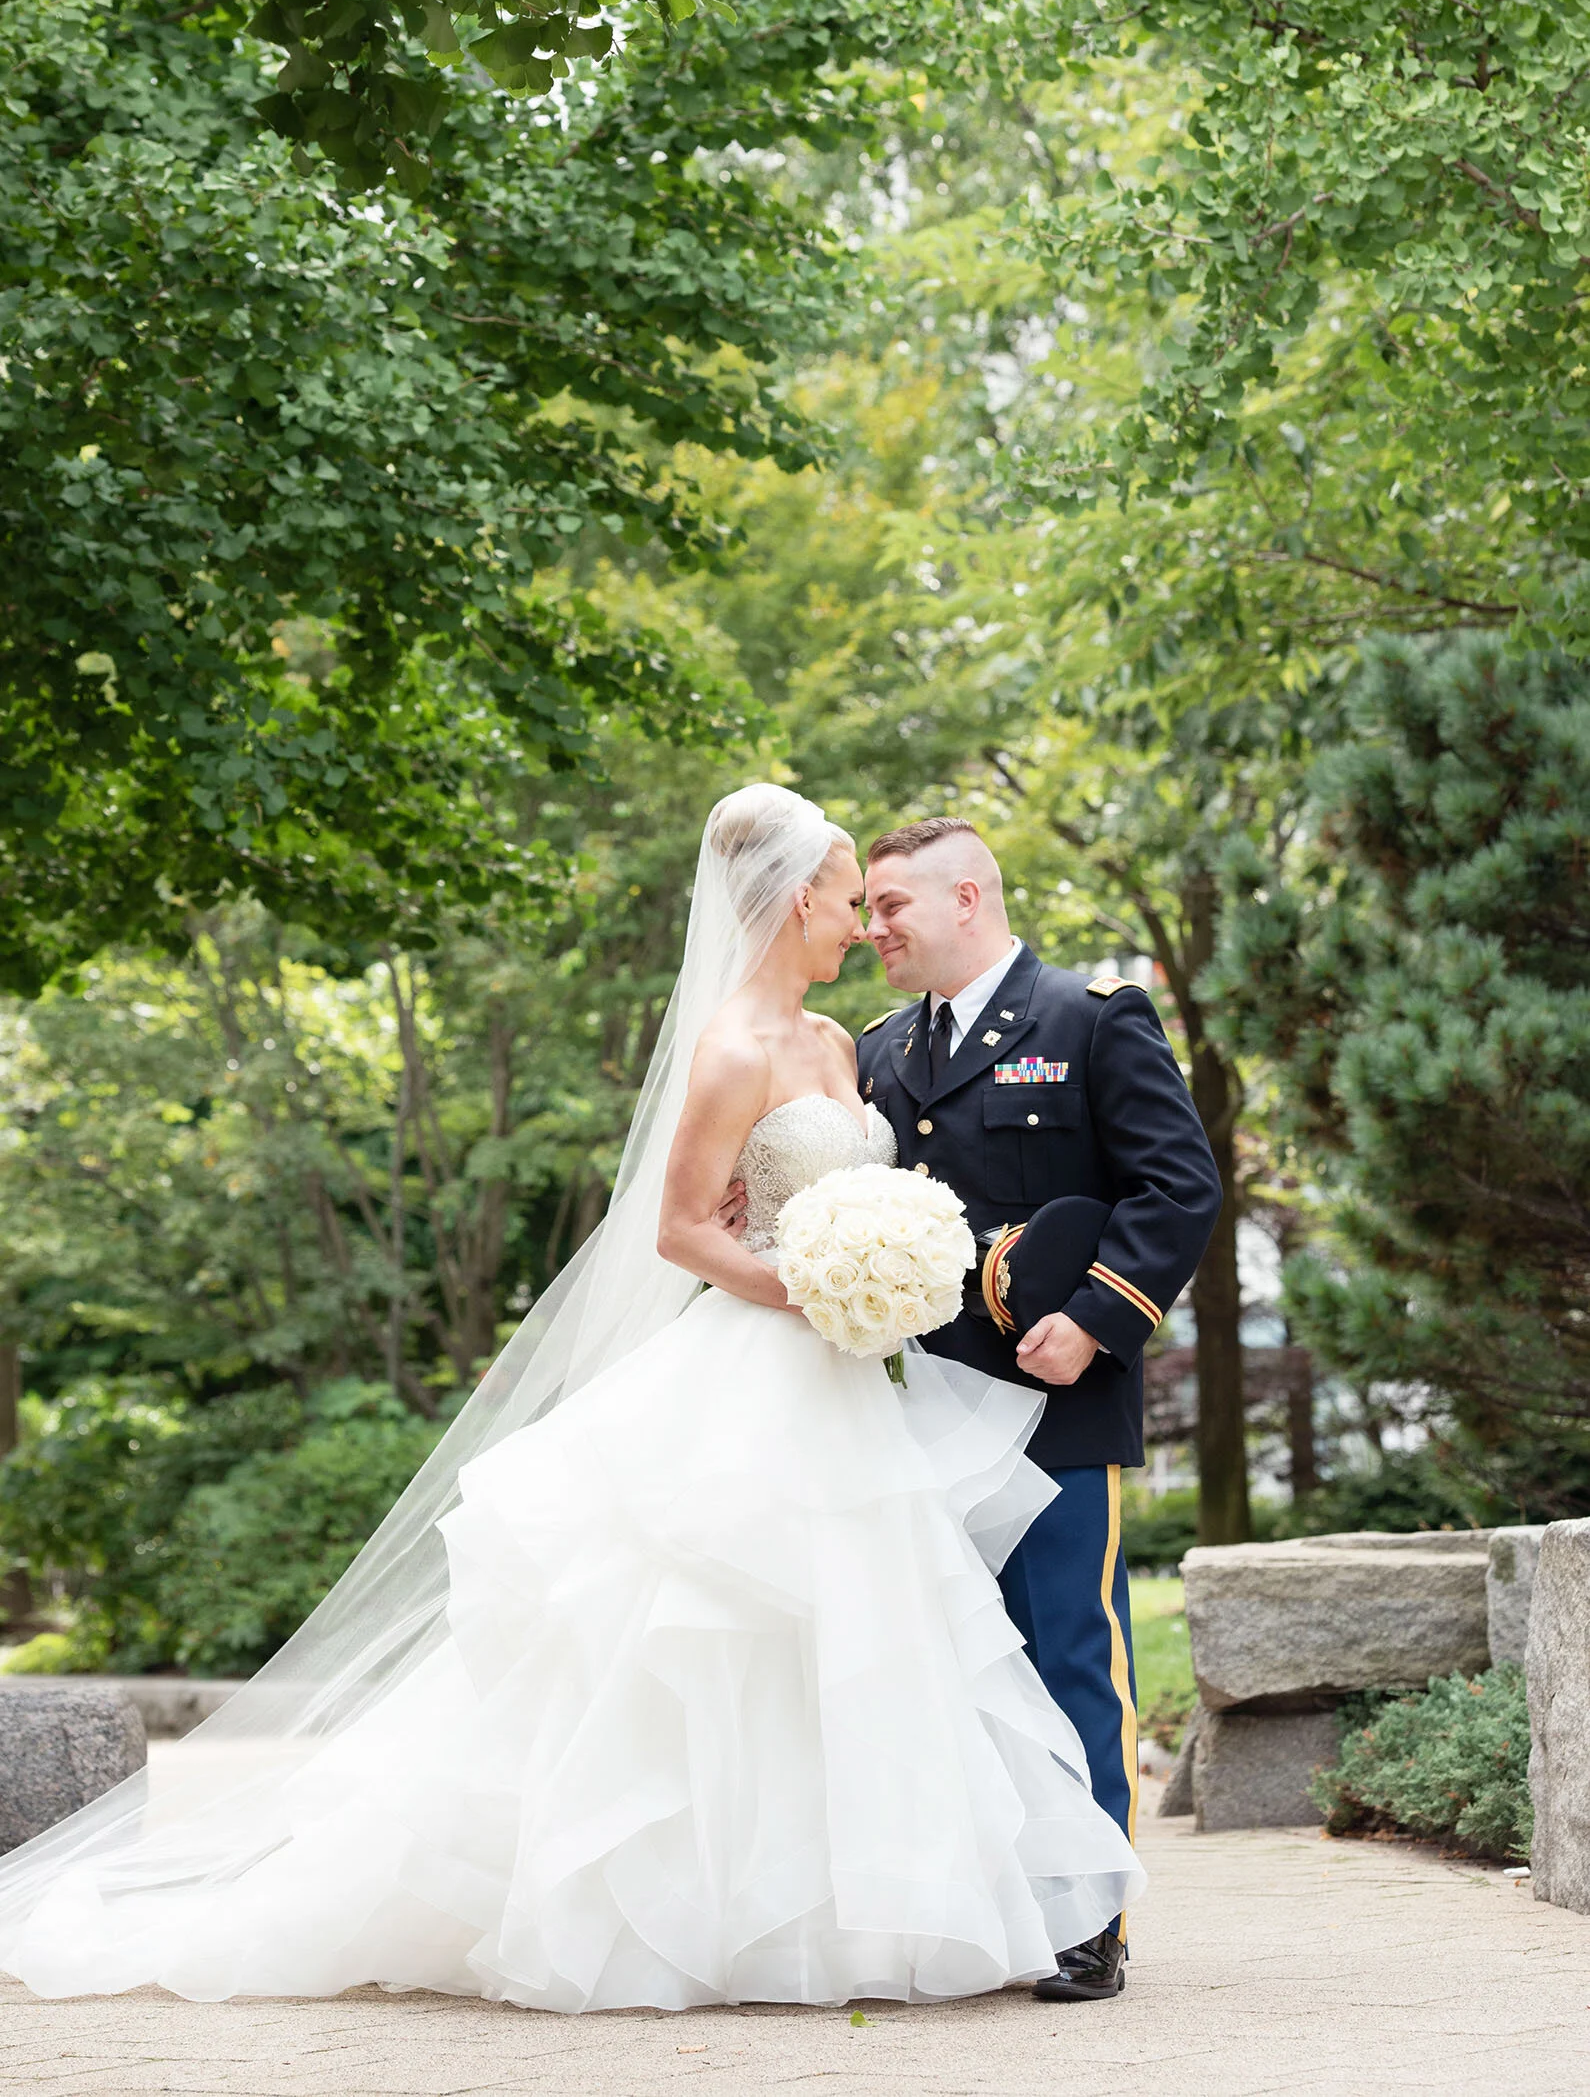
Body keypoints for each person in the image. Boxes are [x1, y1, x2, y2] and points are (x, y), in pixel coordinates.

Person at [0, 785, 1141, 2014]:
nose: (862, 922)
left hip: (859, 1386)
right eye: (847, 897)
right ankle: (689, 1913)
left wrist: (888, 1283)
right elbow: (682, 1232)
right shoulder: (734, 1048)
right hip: (769, 1368)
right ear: (791, 900)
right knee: (709, 1642)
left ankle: (876, 1911)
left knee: (864, 1644)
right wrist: (820, 1292)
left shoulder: (845, 1045)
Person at [858, 818, 1222, 2002]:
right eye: (865, 907)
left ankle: (1089, 1916)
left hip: (1051, 1406)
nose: (875, 929)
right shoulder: (875, 1052)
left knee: (1068, 1654)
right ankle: (987, 1902)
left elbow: (1179, 1184)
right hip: (912, 1416)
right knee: (952, 1669)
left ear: (968, 896)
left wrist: (1104, 1316)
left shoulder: (1091, 1017)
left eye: (892, 905)